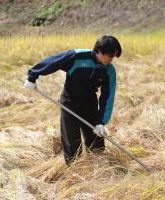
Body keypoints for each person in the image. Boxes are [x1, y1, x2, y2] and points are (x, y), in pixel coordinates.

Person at [24, 35, 122, 165]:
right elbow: (53, 61)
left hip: (90, 103)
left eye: (113, 57)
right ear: (99, 51)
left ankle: (99, 168)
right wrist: (33, 75)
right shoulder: (77, 56)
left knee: (96, 141)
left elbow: (108, 96)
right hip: (69, 102)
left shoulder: (109, 70)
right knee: (72, 141)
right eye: (110, 56)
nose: (111, 60)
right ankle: (74, 171)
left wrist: (101, 121)